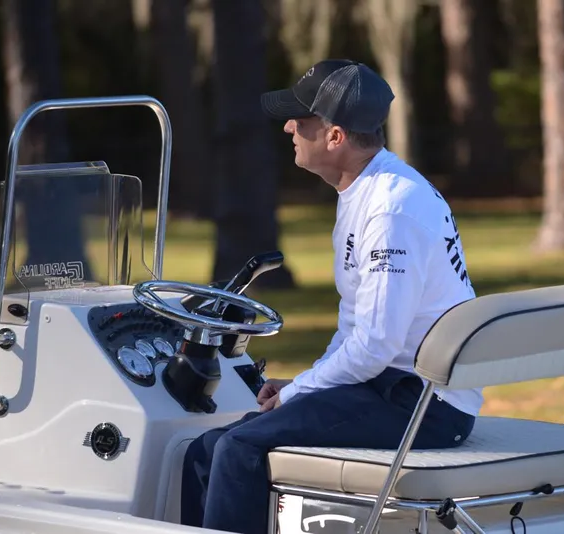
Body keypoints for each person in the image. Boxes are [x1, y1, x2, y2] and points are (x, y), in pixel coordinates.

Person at [179, 59, 484, 534]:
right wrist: (306, 384)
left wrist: (300, 392)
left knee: (237, 450)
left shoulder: (389, 212)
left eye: (300, 121)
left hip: (427, 406)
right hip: (392, 387)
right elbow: (356, 326)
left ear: (335, 136)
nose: (288, 128)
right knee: (202, 449)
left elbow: (376, 345)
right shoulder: (365, 189)